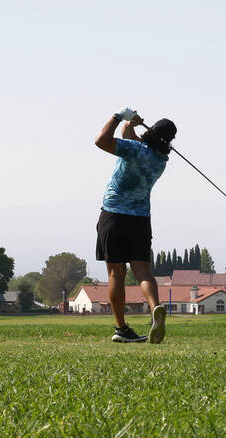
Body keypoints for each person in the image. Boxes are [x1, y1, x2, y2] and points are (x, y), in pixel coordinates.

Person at [94, 108, 175, 343]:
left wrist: (119, 116)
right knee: (144, 273)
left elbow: (101, 141)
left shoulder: (134, 150)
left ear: (152, 131)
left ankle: (121, 328)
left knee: (115, 274)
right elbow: (131, 139)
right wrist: (132, 124)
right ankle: (155, 310)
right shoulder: (161, 160)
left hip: (114, 217)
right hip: (140, 220)